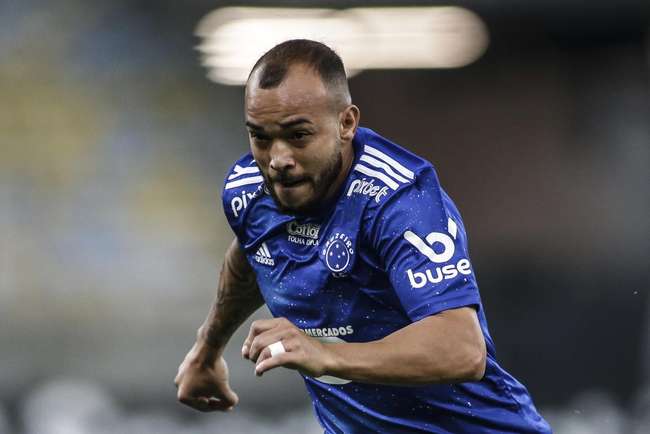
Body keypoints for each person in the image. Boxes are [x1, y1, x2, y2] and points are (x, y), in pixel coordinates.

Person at [174, 39, 552, 433]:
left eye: (298, 135)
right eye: (260, 137)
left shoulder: (399, 202)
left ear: (346, 124)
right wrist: (206, 350)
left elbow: (461, 348)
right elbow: (253, 254)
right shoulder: (248, 192)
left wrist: (326, 354)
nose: (277, 159)